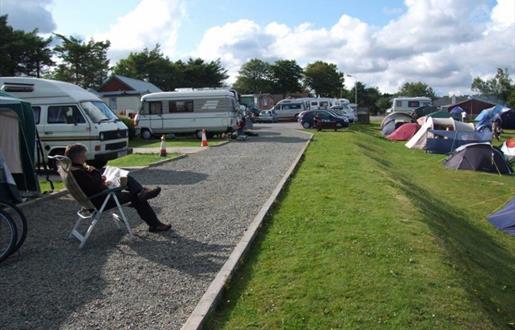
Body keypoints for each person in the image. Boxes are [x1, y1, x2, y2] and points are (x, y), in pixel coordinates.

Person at [64, 144, 171, 233]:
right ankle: (154, 223)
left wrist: (97, 176)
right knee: (136, 196)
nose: (86, 158)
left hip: (95, 198)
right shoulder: (79, 173)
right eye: (84, 155)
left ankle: (141, 192)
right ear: (78, 157)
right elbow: (95, 184)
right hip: (102, 200)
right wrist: (94, 172)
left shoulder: (73, 169)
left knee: (126, 178)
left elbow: (93, 185)